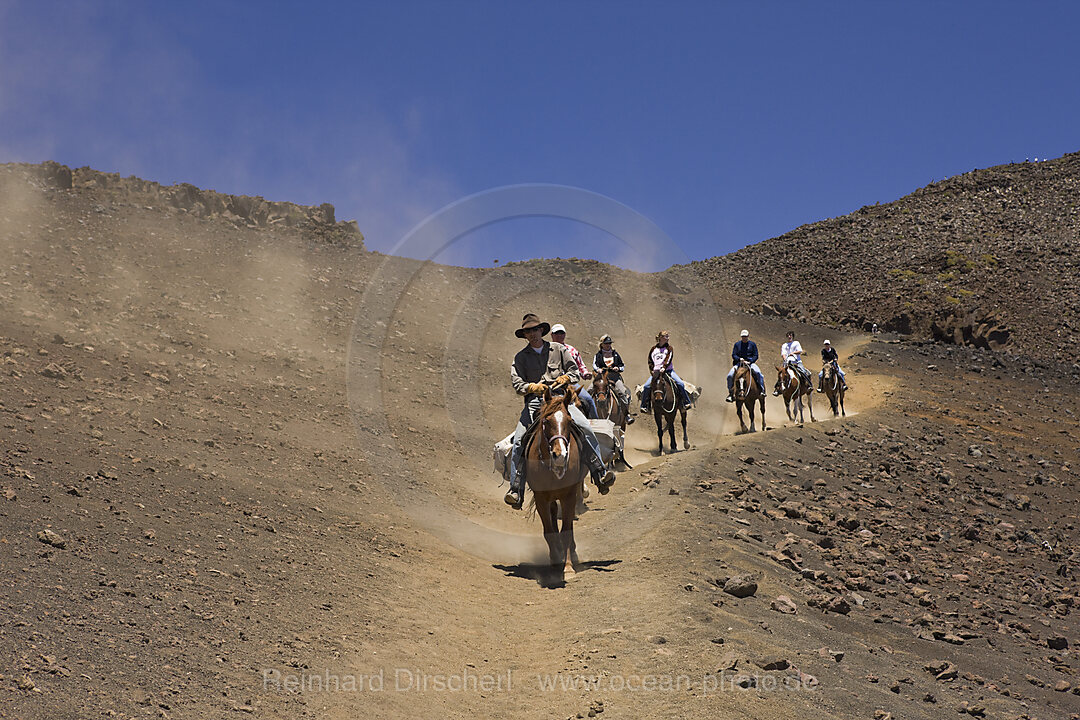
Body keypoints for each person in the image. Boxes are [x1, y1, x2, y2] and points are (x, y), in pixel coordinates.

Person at [504, 314, 615, 510]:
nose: (532, 334)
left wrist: (566, 378)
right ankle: (516, 489)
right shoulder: (520, 357)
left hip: (561, 399)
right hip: (536, 403)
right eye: (528, 331)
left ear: (541, 330)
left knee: (584, 428)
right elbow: (517, 383)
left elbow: (574, 371)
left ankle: (599, 472)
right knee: (520, 440)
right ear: (525, 335)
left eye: (535, 330)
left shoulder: (558, 349)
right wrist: (531, 388)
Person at [550, 324, 597, 419]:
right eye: (557, 333)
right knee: (538, 402)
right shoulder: (547, 349)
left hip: (571, 383)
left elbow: (580, 365)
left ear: (565, 334)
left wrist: (585, 374)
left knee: (588, 399)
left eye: (561, 333)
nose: (559, 335)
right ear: (552, 335)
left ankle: (596, 425)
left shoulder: (572, 350)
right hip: (552, 384)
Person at [640, 330, 693, 413]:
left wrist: (664, 367)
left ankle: (686, 402)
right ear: (661, 338)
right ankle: (645, 406)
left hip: (668, 371)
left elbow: (668, 359)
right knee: (646, 386)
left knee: (680, 383)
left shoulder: (669, 348)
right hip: (656, 372)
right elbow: (650, 360)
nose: (668, 338)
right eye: (666, 337)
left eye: (668, 336)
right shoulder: (653, 349)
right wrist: (652, 370)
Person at [592, 333, 634, 424]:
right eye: (606, 343)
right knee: (589, 391)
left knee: (622, 392)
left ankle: (626, 415)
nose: (608, 345)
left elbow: (622, 366)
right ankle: (588, 414)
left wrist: (618, 368)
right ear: (602, 344)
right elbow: (594, 365)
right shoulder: (598, 355)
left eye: (609, 343)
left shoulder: (615, 354)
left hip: (614, 377)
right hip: (602, 378)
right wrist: (598, 369)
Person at [726, 329, 766, 402]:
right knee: (730, 375)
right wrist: (739, 359)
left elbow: (756, 355)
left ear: (748, 336)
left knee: (758, 373)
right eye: (743, 336)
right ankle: (731, 393)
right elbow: (733, 354)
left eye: (745, 336)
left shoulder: (752, 344)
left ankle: (762, 391)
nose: (744, 338)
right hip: (739, 363)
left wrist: (750, 361)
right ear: (741, 337)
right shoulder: (737, 344)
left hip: (750, 363)